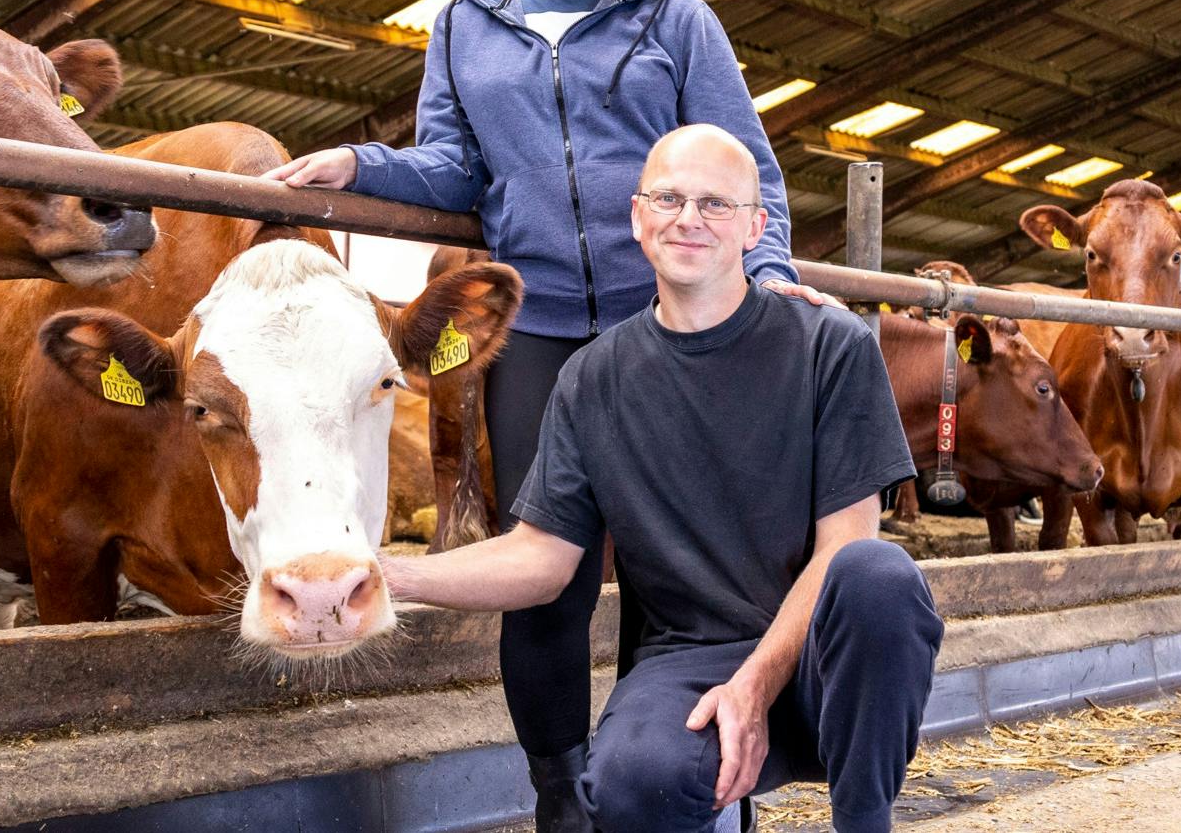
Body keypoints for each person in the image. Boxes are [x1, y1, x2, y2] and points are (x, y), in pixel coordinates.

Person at [265, 0, 829, 828]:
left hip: (672, 323)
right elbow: (452, 162)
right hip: (538, 329)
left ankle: (691, 780)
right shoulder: (464, 22)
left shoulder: (676, 22)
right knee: (545, 580)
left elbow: (742, 158)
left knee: (680, 572)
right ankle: (561, 798)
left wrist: (772, 262)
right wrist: (361, 161)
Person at [383, 125, 943, 833]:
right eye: (669, 198)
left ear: (754, 227)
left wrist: (754, 685)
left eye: (716, 204)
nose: (688, 219)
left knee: (879, 577)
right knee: (630, 783)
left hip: (820, 665)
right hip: (688, 663)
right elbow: (542, 558)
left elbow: (844, 547)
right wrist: (389, 577)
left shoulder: (830, 345)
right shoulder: (592, 378)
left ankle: (863, 821)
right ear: (637, 216)